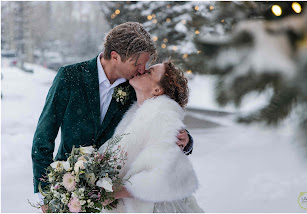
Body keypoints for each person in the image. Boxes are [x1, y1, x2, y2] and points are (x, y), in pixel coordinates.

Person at [31, 22, 193, 212]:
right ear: (115, 56)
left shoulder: (134, 87)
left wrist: (186, 139)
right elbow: (43, 137)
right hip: (68, 188)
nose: (142, 69)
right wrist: (47, 193)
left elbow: (156, 116)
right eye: (137, 63)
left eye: (144, 64)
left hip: (109, 199)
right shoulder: (69, 77)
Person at [99, 61, 204, 213]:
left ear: (157, 89)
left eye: (149, 72)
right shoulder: (136, 112)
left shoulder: (163, 115)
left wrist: (116, 192)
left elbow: (164, 178)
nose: (141, 71)